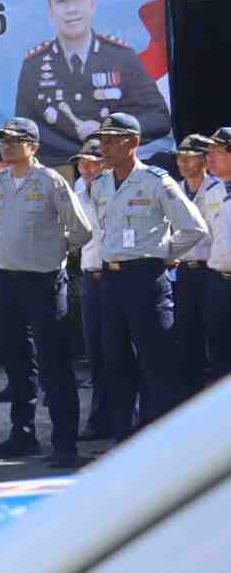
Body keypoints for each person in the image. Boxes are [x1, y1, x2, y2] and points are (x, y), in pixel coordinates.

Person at [0, 116, 94, 466]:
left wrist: (54, 249)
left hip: (43, 281)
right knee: (17, 362)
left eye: (14, 141)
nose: (7, 146)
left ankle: (65, 444)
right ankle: (22, 435)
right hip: (7, 280)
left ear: (33, 146)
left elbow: (81, 231)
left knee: (54, 363)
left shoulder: (51, 181)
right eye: (3, 141)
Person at [90, 113, 207, 435]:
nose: (105, 146)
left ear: (133, 142)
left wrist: (162, 255)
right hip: (111, 279)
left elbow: (194, 228)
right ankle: (123, 435)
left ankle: (161, 437)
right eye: (103, 140)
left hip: (145, 278)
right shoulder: (99, 184)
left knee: (156, 361)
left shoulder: (156, 181)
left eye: (113, 140)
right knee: (115, 360)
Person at [15, 0, 171, 162]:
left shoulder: (121, 57)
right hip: (63, 171)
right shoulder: (34, 66)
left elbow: (159, 118)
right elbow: (24, 133)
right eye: (61, 1)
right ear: (50, 9)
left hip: (117, 166)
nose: (71, 9)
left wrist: (108, 134)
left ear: (92, 3)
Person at [71, 138, 118, 441]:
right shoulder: (76, 193)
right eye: (82, 164)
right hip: (90, 276)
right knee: (96, 352)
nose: (86, 169)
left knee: (121, 350)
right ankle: (100, 418)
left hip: (117, 276)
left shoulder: (119, 190)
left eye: (93, 163)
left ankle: (130, 417)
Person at [173, 135, 222, 399]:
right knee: (187, 334)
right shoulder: (174, 190)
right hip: (183, 270)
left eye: (189, 157)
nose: (182, 163)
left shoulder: (218, 187)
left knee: (215, 334)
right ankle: (191, 395)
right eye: (180, 157)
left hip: (211, 270)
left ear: (204, 160)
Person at [204, 127, 231, 385]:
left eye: (217, 151)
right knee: (220, 353)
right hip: (219, 282)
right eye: (208, 152)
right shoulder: (211, 192)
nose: (209, 158)